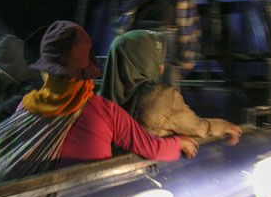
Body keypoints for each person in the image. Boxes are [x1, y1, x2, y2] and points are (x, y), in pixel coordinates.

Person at [0, 21, 198, 196]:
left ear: (46, 72)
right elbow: (153, 149)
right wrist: (179, 143)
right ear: (86, 72)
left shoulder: (27, 106)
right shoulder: (104, 111)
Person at [101, 30, 242, 144]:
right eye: (156, 59)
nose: (161, 68)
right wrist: (225, 127)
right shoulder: (160, 98)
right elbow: (197, 127)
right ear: (145, 61)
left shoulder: (95, 103)